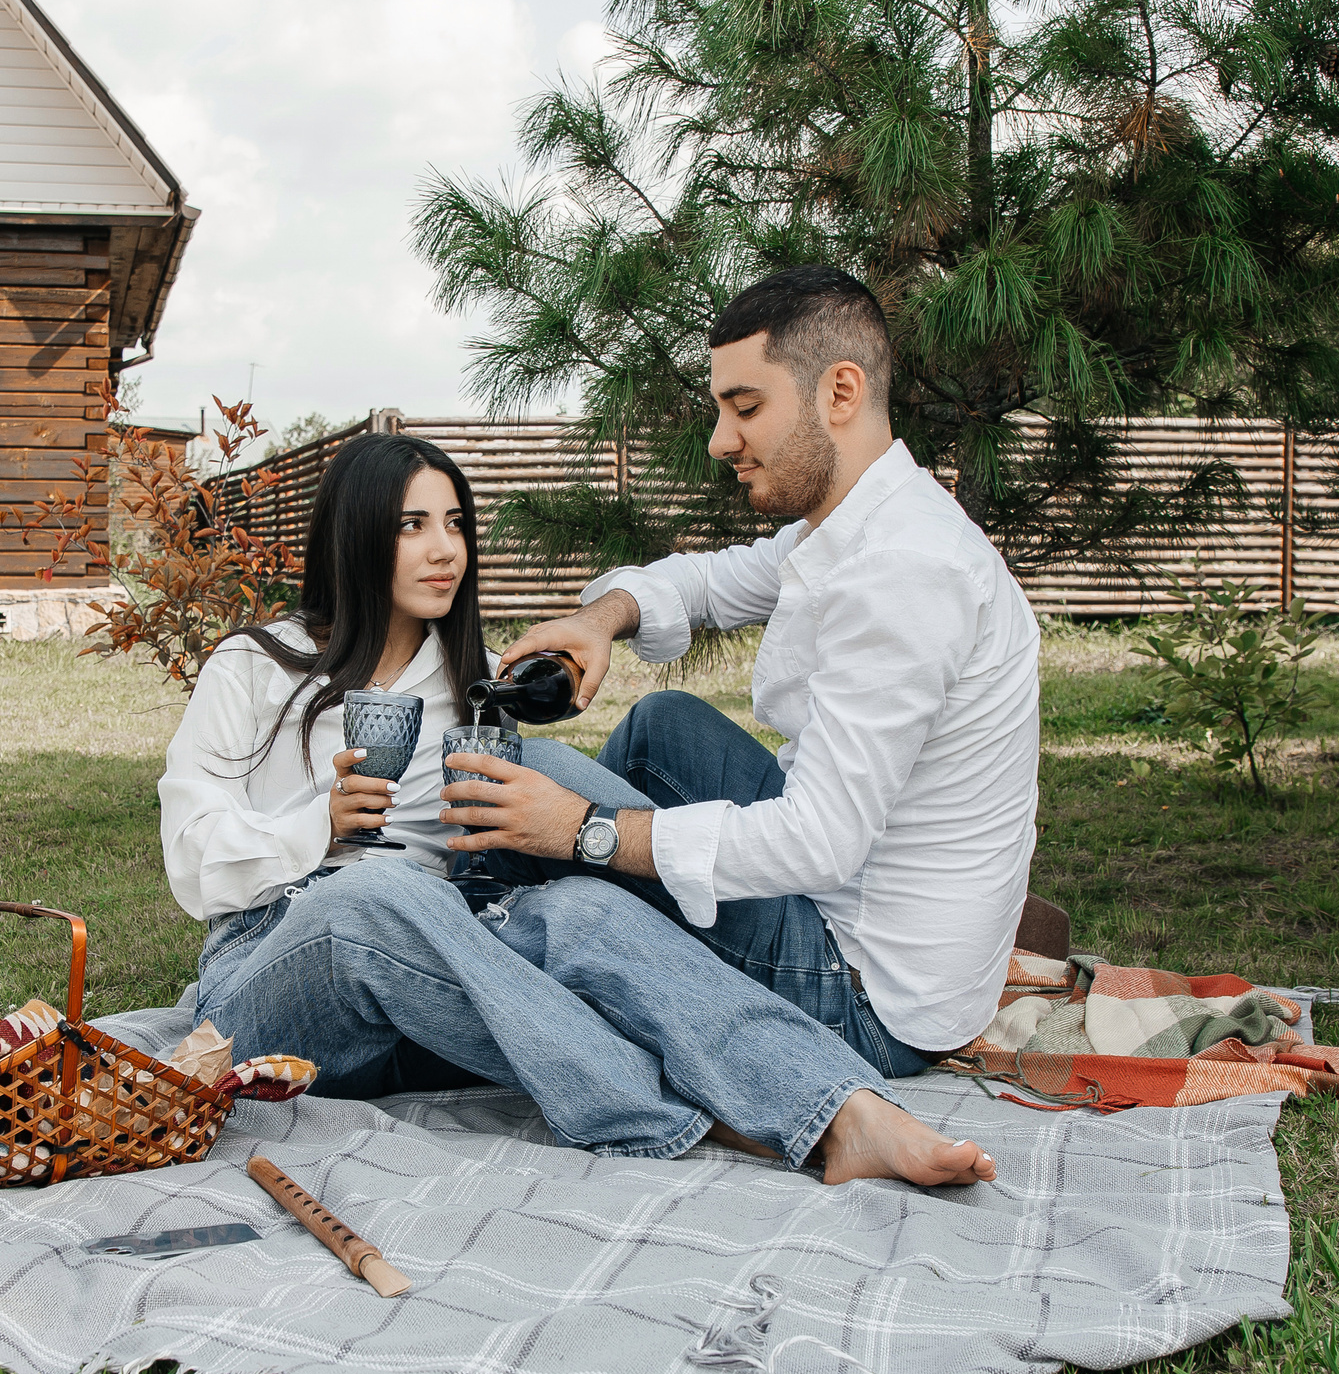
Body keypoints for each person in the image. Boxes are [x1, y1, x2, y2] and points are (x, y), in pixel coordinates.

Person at [158, 430, 995, 1185]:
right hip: (267, 983)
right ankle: (687, 1111)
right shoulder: (257, 667)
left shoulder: (475, 679)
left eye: (455, 524)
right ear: (355, 535)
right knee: (368, 898)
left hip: (429, 987)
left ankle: (834, 1108)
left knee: (585, 909)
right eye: (412, 525)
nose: (443, 549)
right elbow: (190, 860)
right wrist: (318, 823)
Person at [442, 265, 1044, 1085]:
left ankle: (476, 947)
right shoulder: (855, 525)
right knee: (664, 728)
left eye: (746, 407)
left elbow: (817, 840)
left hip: (869, 998)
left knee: (538, 787)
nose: (722, 440)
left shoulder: (906, 569)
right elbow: (708, 583)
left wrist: (585, 828)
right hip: (860, 912)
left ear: (840, 392)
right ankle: (518, 919)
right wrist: (600, 619)